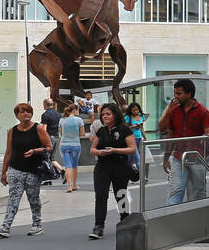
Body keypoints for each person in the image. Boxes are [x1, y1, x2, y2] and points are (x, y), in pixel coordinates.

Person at [0, 102, 52, 238]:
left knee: (33, 198)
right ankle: (5, 227)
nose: (26, 114)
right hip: (15, 169)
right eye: (22, 112)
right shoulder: (12, 131)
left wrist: (35, 151)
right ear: (17, 115)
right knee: (13, 198)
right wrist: (3, 172)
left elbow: (49, 147)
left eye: (28, 111)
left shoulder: (39, 128)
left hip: (33, 170)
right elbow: (8, 152)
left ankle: (37, 224)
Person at [159, 78, 209, 205]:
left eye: (179, 93)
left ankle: (195, 218)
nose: (175, 96)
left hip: (198, 157)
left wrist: (207, 135)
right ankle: (172, 218)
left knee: (197, 192)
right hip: (179, 157)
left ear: (188, 94)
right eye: (175, 93)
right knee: (176, 190)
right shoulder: (174, 110)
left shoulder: (203, 111)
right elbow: (166, 131)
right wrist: (166, 158)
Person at [88, 102, 136, 240]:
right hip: (102, 166)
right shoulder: (101, 131)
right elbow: (92, 149)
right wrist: (99, 152)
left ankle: (125, 221)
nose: (105, 116)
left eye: (108, 114)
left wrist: (115, 150)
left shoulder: (124, 130)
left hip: (120, 165)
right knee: (101, 195)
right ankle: (98, 226)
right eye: (103, 114)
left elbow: (132, 148)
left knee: (120, 194)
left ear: (115, 114)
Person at [59, 104, 85, 193]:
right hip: (75, 145)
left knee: (67, 165)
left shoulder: (62, 120)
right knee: (74, 165)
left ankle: (69, 186)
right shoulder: (79, 120)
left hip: (64, 145)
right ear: (74, 110)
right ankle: (74, 185)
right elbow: (82, 134)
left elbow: (61, 133)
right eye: (78, 110)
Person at [125, 102, 147, 175]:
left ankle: (130, 173)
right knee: (137, 157)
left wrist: (145, 138)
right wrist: (132, 126)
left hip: (139, 139)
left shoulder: (141, 116)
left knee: (131, 158)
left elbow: (142, 128)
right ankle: (142, 175)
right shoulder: (128, 117)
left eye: (137, 110)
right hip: (131, 140)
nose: (136, 112)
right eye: (133, 110)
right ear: (130, 110)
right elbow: (124, 128)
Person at [40, 99, 62, 167]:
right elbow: (60, 127)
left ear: (45, 104)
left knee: (45, 157)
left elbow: (44, 129)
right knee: (51, 157)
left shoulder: (45, 114)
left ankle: (46, 174)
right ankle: (62, 170)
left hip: (49, 138)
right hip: (57, 138)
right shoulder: (58, 114)